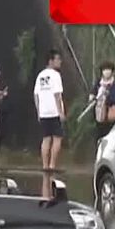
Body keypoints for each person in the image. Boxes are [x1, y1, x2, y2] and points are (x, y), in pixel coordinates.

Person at [34, 50, 66, 190]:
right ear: (51, 61)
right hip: (53, 111)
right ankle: (52, 165)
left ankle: (44, 165)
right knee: (57, 138)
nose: (60, 62)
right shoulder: (55, 75)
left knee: (46, 139)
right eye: (58, 59)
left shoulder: (40, 76)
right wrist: (61, 112)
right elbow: (57, 95)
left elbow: (36, 95)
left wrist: (39, 111)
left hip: (43, 112)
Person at [92, 60, 115, 139]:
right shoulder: (98, 83)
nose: (107, 72)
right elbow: (93, 93)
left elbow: (114, 98)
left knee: (109, 135)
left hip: (109, 115)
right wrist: (93, 97)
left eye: (109, 69)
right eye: (105, 69)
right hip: (99, 113)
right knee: (98, 135)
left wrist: (106, 96)